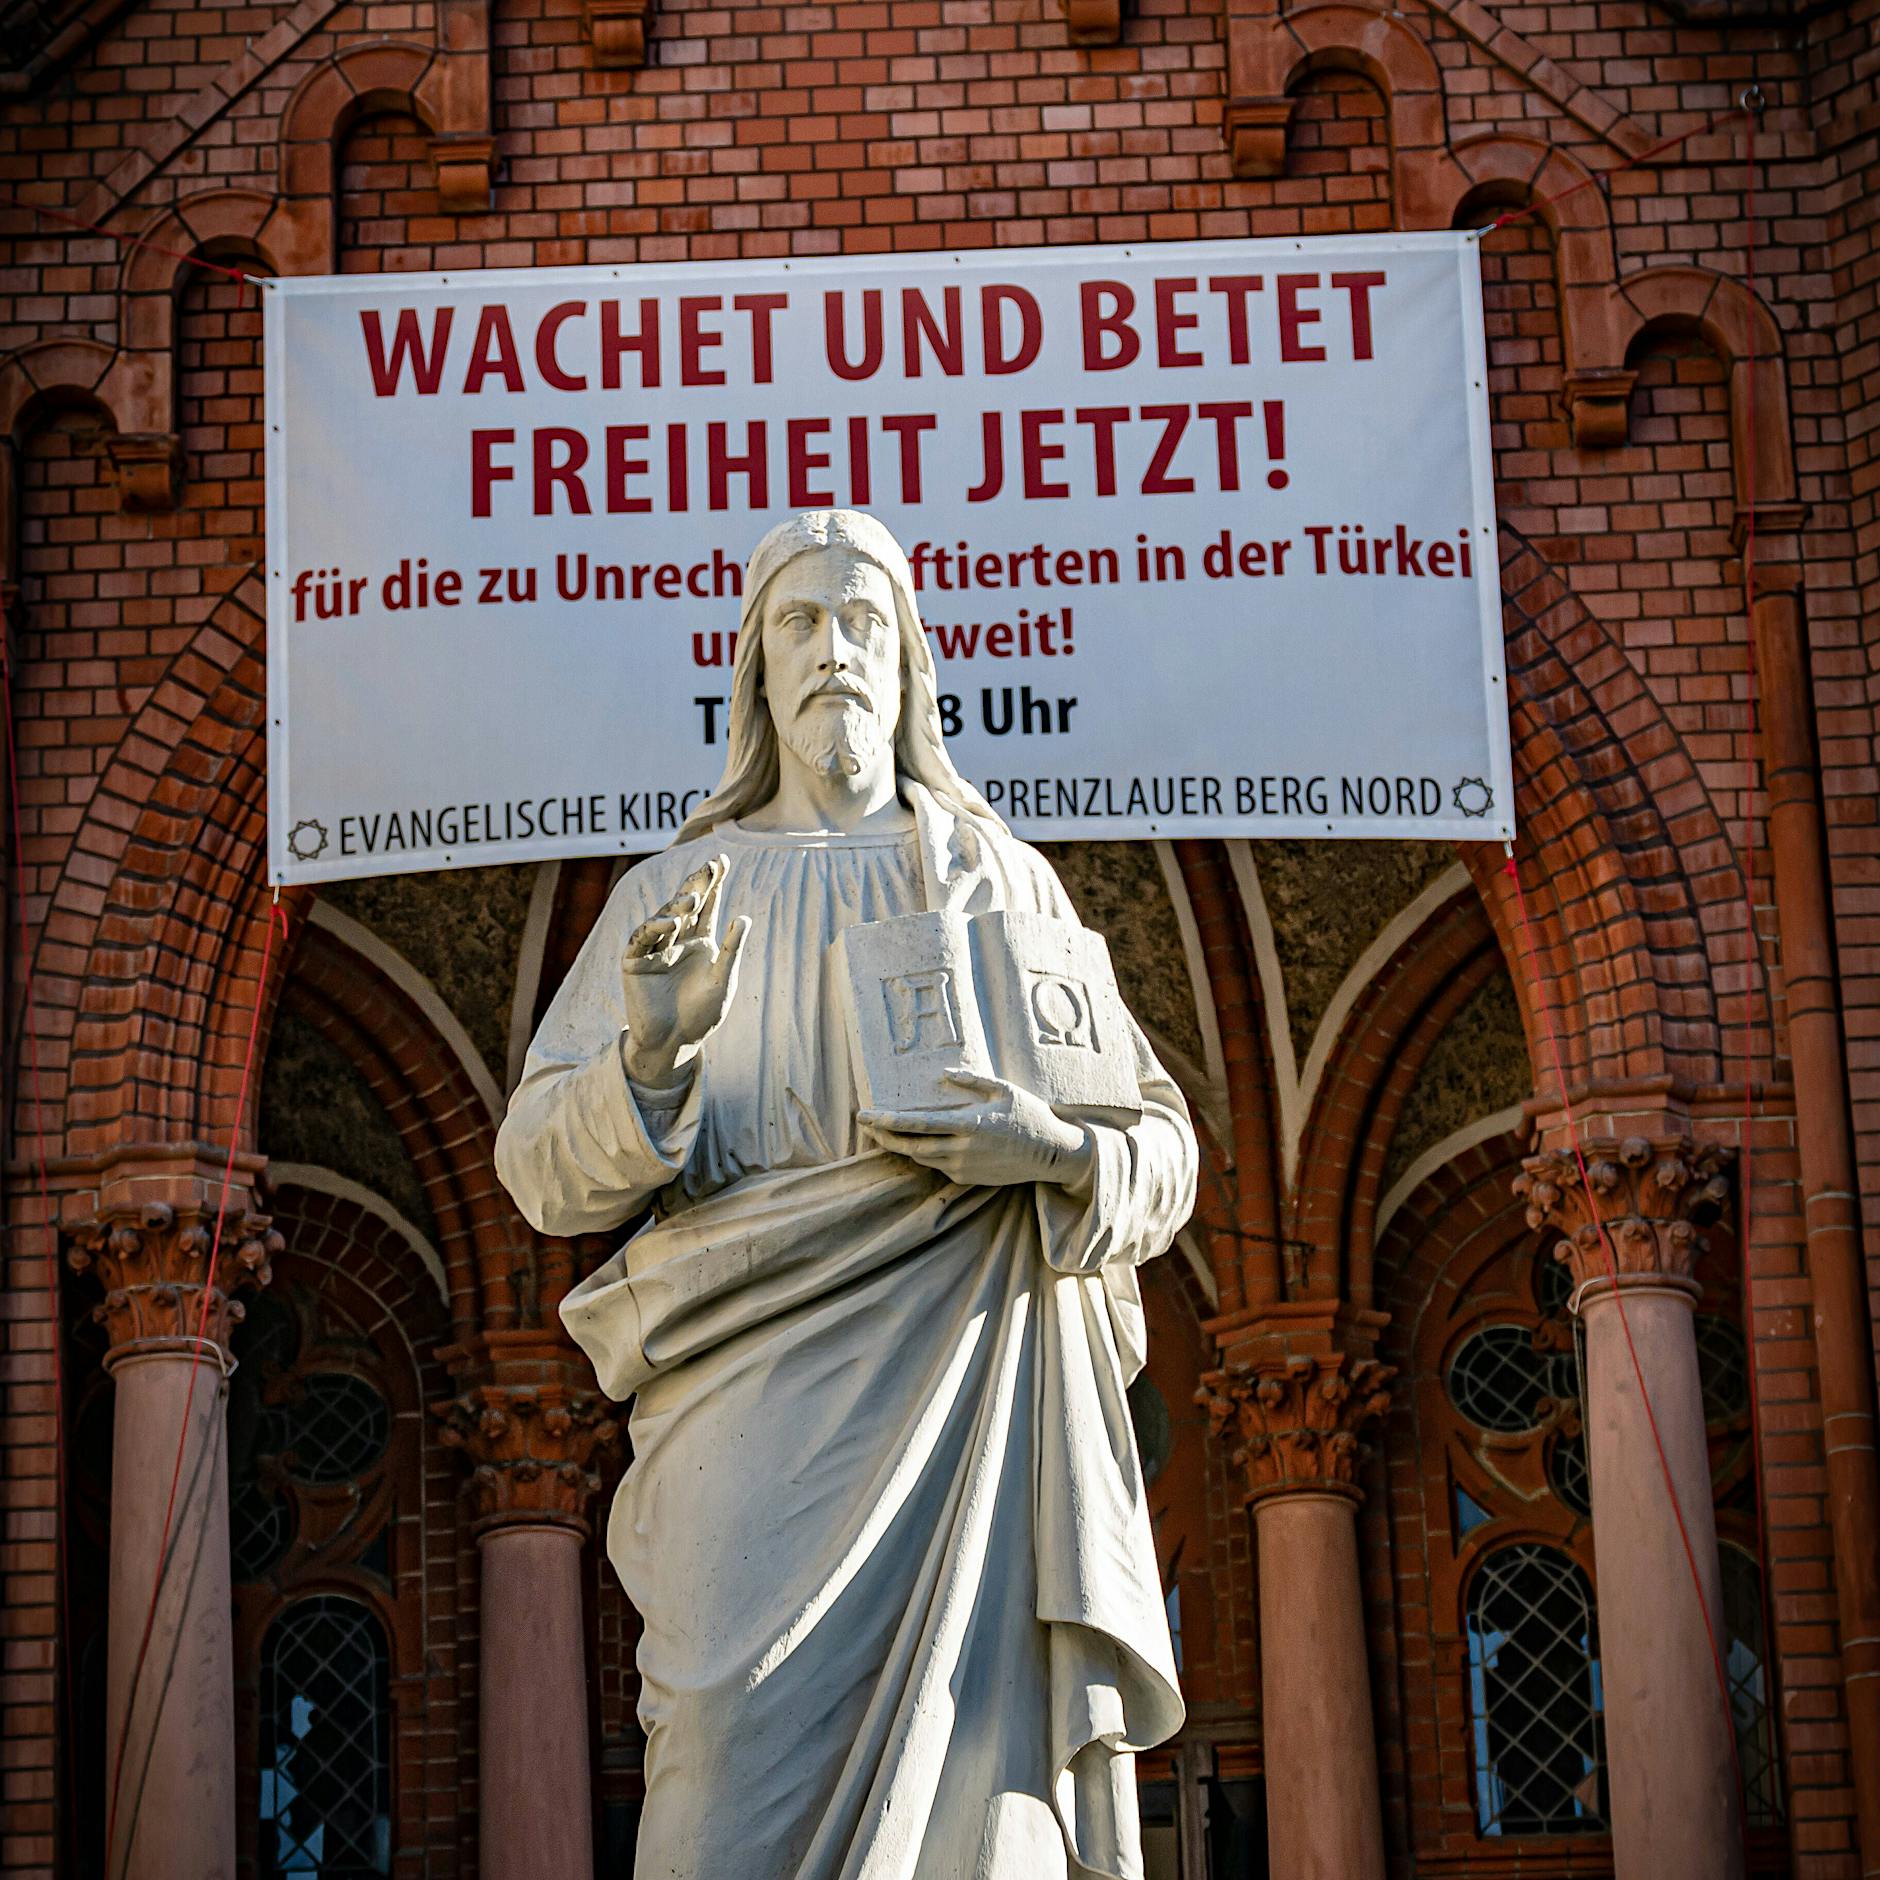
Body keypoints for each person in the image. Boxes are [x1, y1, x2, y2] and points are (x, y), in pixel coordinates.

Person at [495, 509, 1197, 1880]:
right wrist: (651, 1059)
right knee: (717, 1786)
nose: (835, 650)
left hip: (973, 1405)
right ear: (755, 667)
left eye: (864, 621)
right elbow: (538, 1169)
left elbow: (1159, 1146)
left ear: (909, 660)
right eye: (802, 622)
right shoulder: (677, 893)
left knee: (978, 1819)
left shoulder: (1001, 881)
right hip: (746, 1414)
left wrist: (1057, 1156)